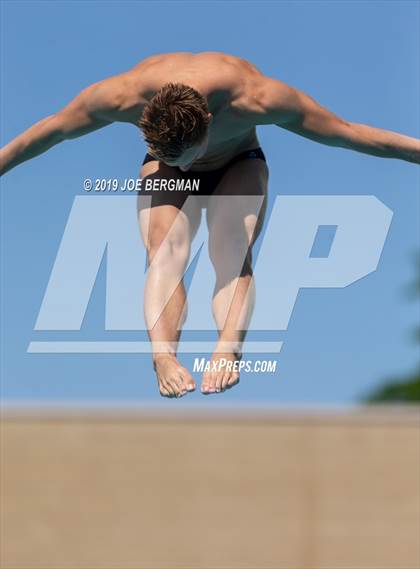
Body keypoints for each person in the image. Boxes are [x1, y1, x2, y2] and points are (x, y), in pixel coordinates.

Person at [1, 51, 419, 398]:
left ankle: (228, 349)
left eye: (189, 153)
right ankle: (163, 357)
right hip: (161, 169)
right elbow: (51, 130)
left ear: (207, 122)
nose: (187, 165)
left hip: (237, 161)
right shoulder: (121, 96)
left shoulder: (258, 99)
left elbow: (347, 132)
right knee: (163, 251)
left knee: (231, 249)